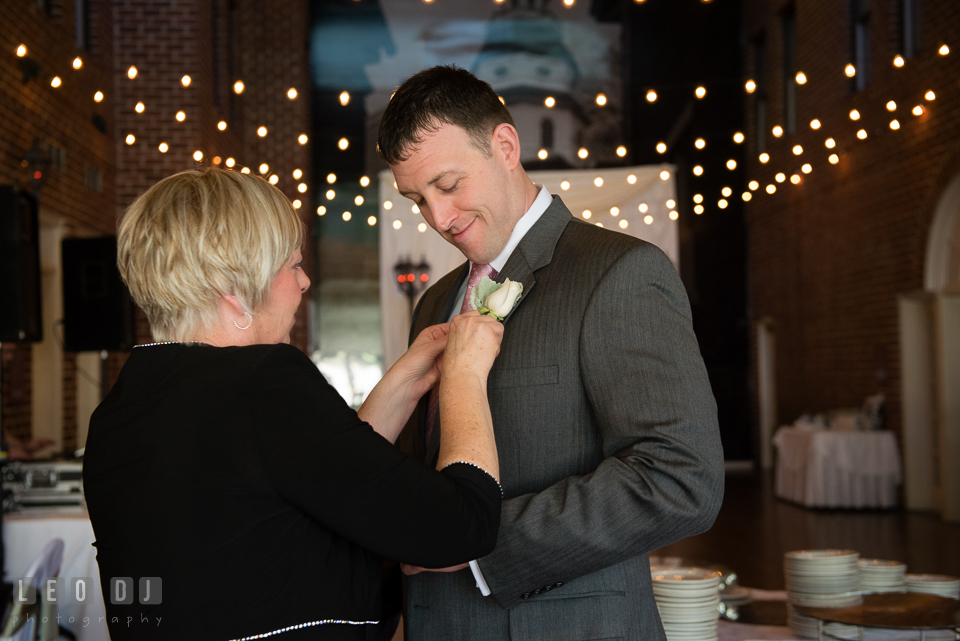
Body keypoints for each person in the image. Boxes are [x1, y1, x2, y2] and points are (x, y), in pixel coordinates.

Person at [81, 167, 504, 641]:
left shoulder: (122, 407)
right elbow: (460, 528)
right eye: (292, 266)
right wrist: (465, 374)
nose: (303, 284)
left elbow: (317, 477)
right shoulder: (263, 382)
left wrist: (408, 379)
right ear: (234, 290)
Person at [378, 65, 725, 640]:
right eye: (417, 200)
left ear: (506, 146)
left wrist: (478, 544)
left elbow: (682, 478)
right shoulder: (436, 299)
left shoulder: (620, 272)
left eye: (447, 185)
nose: (438, 219)